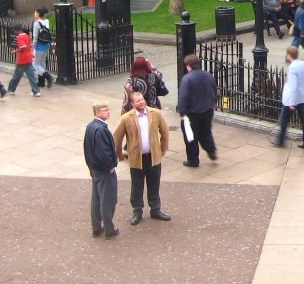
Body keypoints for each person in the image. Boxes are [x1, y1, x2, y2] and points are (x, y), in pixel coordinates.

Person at [113, 91, 171, 225]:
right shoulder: (126, 118)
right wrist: (120, 155)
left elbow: (165, 132)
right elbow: (117, 138)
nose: (141, 102)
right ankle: (137, 211)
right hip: (136, 158)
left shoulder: (155, 113)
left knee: (154, 184)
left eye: (142, 100)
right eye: (138, 101)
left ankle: (155, 209)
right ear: (133, 103)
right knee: (137, 186)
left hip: (153, 157)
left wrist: (162, 150)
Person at [83, 100, 119, 238]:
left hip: (95, 169)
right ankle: (109, 230)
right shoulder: (101, 129)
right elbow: (103, 152)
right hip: (104, 171)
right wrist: (110, 166)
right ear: (97, 112)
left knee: (96, 199)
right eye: (105, 110)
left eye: (108, 109)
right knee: (108, 200)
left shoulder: (91, 126)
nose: (108, 112)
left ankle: (96, 228)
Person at [176, 54, 218, 167]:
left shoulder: (187, 79)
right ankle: (211, 150)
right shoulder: (208, 75)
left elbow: (183, 97)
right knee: (205, 131)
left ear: (189, 66)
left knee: (190, 136)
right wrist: (214, 102)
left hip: (192, 113)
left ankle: (193, 160)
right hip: (208, 109)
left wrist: (182, 112)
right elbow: (214, 89)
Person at [272, 46, 304, 149]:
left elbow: (293, 86)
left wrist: (292, 103)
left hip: (292, 100)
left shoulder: (292, 68)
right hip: (302, 97)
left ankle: (280, 141)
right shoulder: (303, 64)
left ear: (289, 56)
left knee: (283, 119)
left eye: (287, 54)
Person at [6, 24, 41, 97]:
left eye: (14, 31)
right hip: (29, 58)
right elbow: (29, 45)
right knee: (31, 76)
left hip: (22, 59)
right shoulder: (26, 36)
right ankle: (36, 91)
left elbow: (23, 47)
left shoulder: (19, 37)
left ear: (17, 30)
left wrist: (15, 51)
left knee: (16, 76)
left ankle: (11, 89)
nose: (14, 32)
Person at [31, 7, 54, 89]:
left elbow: (35, 38)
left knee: (36, 64)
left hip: (39, 46)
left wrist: (32, 49)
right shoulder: (46, 21)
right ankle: (41, 82)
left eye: (35, 12)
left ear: (37, 13)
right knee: (42, 63)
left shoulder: (36, 23)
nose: (34, 14)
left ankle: (48, 77)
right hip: (46, 44)